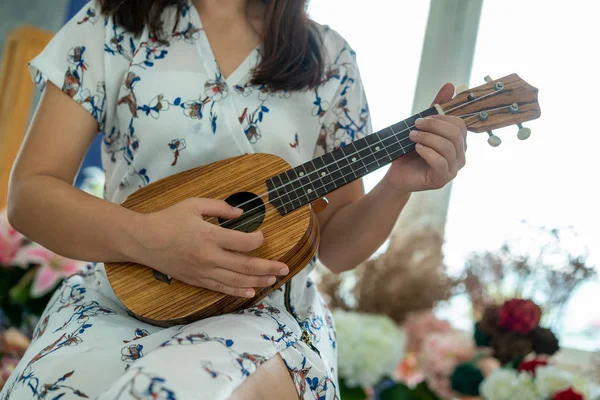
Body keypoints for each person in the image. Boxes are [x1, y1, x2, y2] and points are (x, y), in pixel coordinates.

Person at [0, 0, 467, 398]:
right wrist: (149, 239)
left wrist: (396, 186)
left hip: (262, 316)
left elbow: (337, 247)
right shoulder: (112, 24)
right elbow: (31, 193)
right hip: (124, 300)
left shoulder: (329, 58)